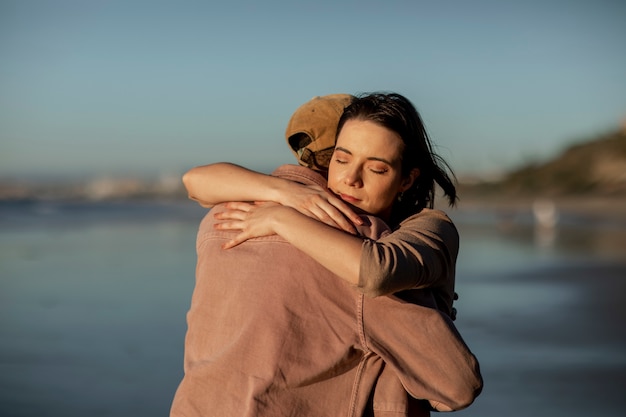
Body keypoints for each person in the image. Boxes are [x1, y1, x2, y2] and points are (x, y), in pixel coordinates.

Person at [171, 93, 482, 416]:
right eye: (342, 159)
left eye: (376, 168)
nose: (351, 178)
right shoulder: (359, 245)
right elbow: (456, 387)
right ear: (330, 156)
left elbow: (195, 182)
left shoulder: (222, 217)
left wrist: (280, 212)